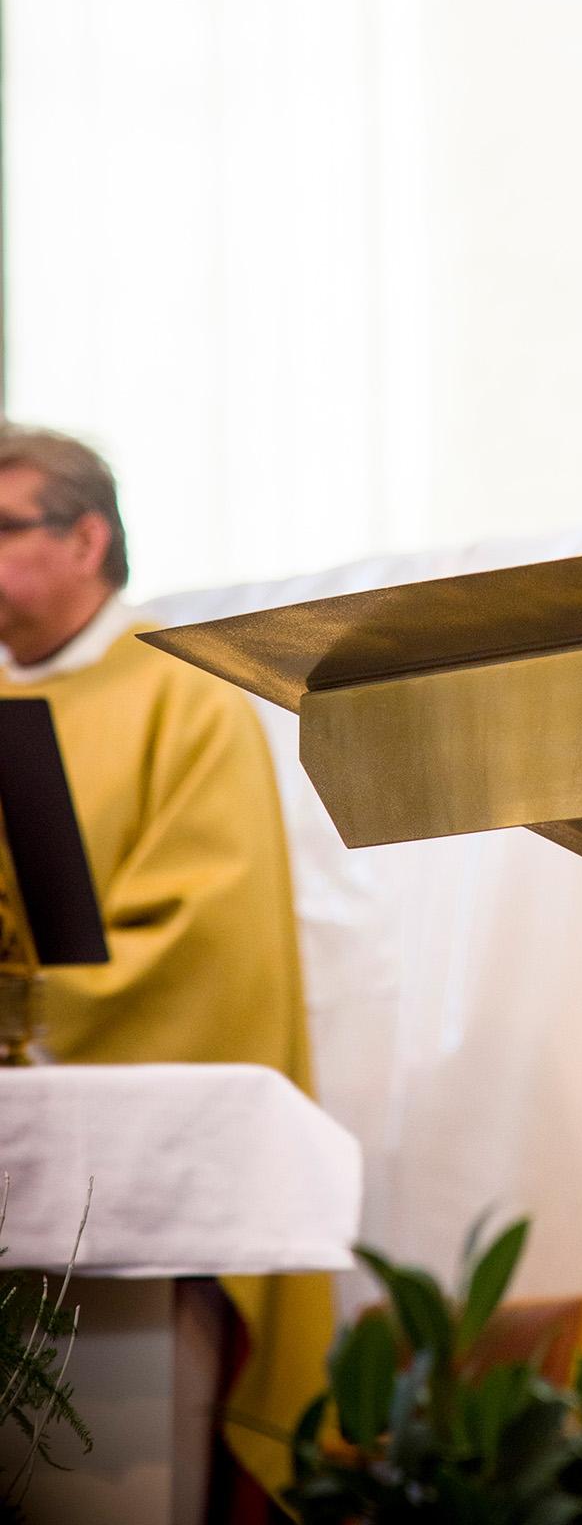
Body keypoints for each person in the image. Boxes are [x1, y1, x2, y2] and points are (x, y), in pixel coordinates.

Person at [0, 426, 333, 1514]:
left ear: (87, 537)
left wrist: (26, 1009)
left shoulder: (185, 693)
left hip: (117, 1144)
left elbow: (205, 940)